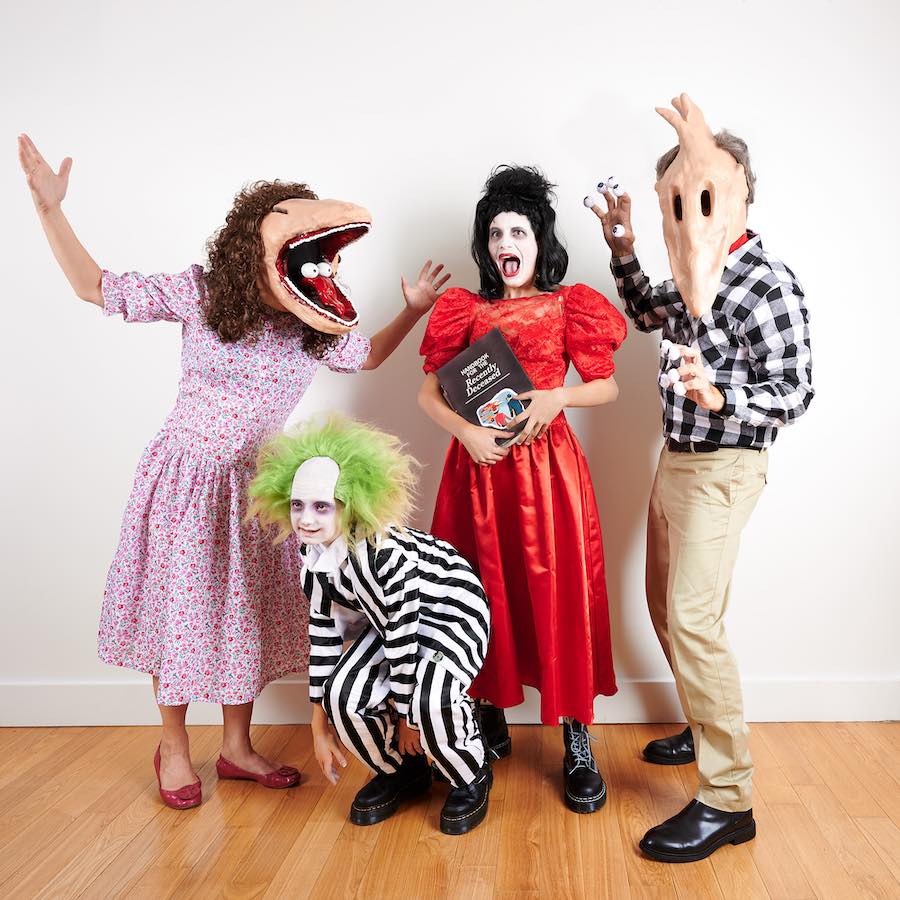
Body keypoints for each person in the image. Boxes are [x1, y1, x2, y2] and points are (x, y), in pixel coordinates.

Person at [18, 133, 447, 809]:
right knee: (182, 611)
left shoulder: (313, 325)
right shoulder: (201, 292)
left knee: (243, 614)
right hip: (186, 479)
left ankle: (237, 747)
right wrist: (50, 210)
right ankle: (173, 747)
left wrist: (414, 310)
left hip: (260, 489)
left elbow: (365, 359)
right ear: (256, 244)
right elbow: (92, 286)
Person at [590, 94, 814, 861]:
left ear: (739, 190)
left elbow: (796, 391)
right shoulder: (692, 274)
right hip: (674, 463)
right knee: (664, 607)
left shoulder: (767, 283)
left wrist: (723, 396)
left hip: (725, 468)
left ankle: (729, 799)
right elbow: (648, 310)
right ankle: (701, 722)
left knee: (693, 619)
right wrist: (621, 248)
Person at [418, 165, 626, 814]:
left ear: (540, 240)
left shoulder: (571, 304)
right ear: (486, 246)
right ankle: (488, 717)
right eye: (495, 232)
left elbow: (607, 385)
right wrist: (466, 434)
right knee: (479, 594)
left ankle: (576, 738)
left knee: (558, 595)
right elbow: (428, 392)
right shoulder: (466, 310)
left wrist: (559, 394)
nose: (507, 241)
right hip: (479, 473)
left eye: (519, 229)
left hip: (550, 472)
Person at [250, 416, 493, 834]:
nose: (305, 519)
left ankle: (470, 773)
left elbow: (404, 634)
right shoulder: (314, 564)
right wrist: (317, 723)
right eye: (297, 505)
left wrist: (404, 717)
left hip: (450, 615)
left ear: (349, 503)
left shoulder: (384, 554)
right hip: (388, 624)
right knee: (342, 696)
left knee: (427, 699)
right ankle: (403, 771)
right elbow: (323, 637)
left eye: (321, 506)